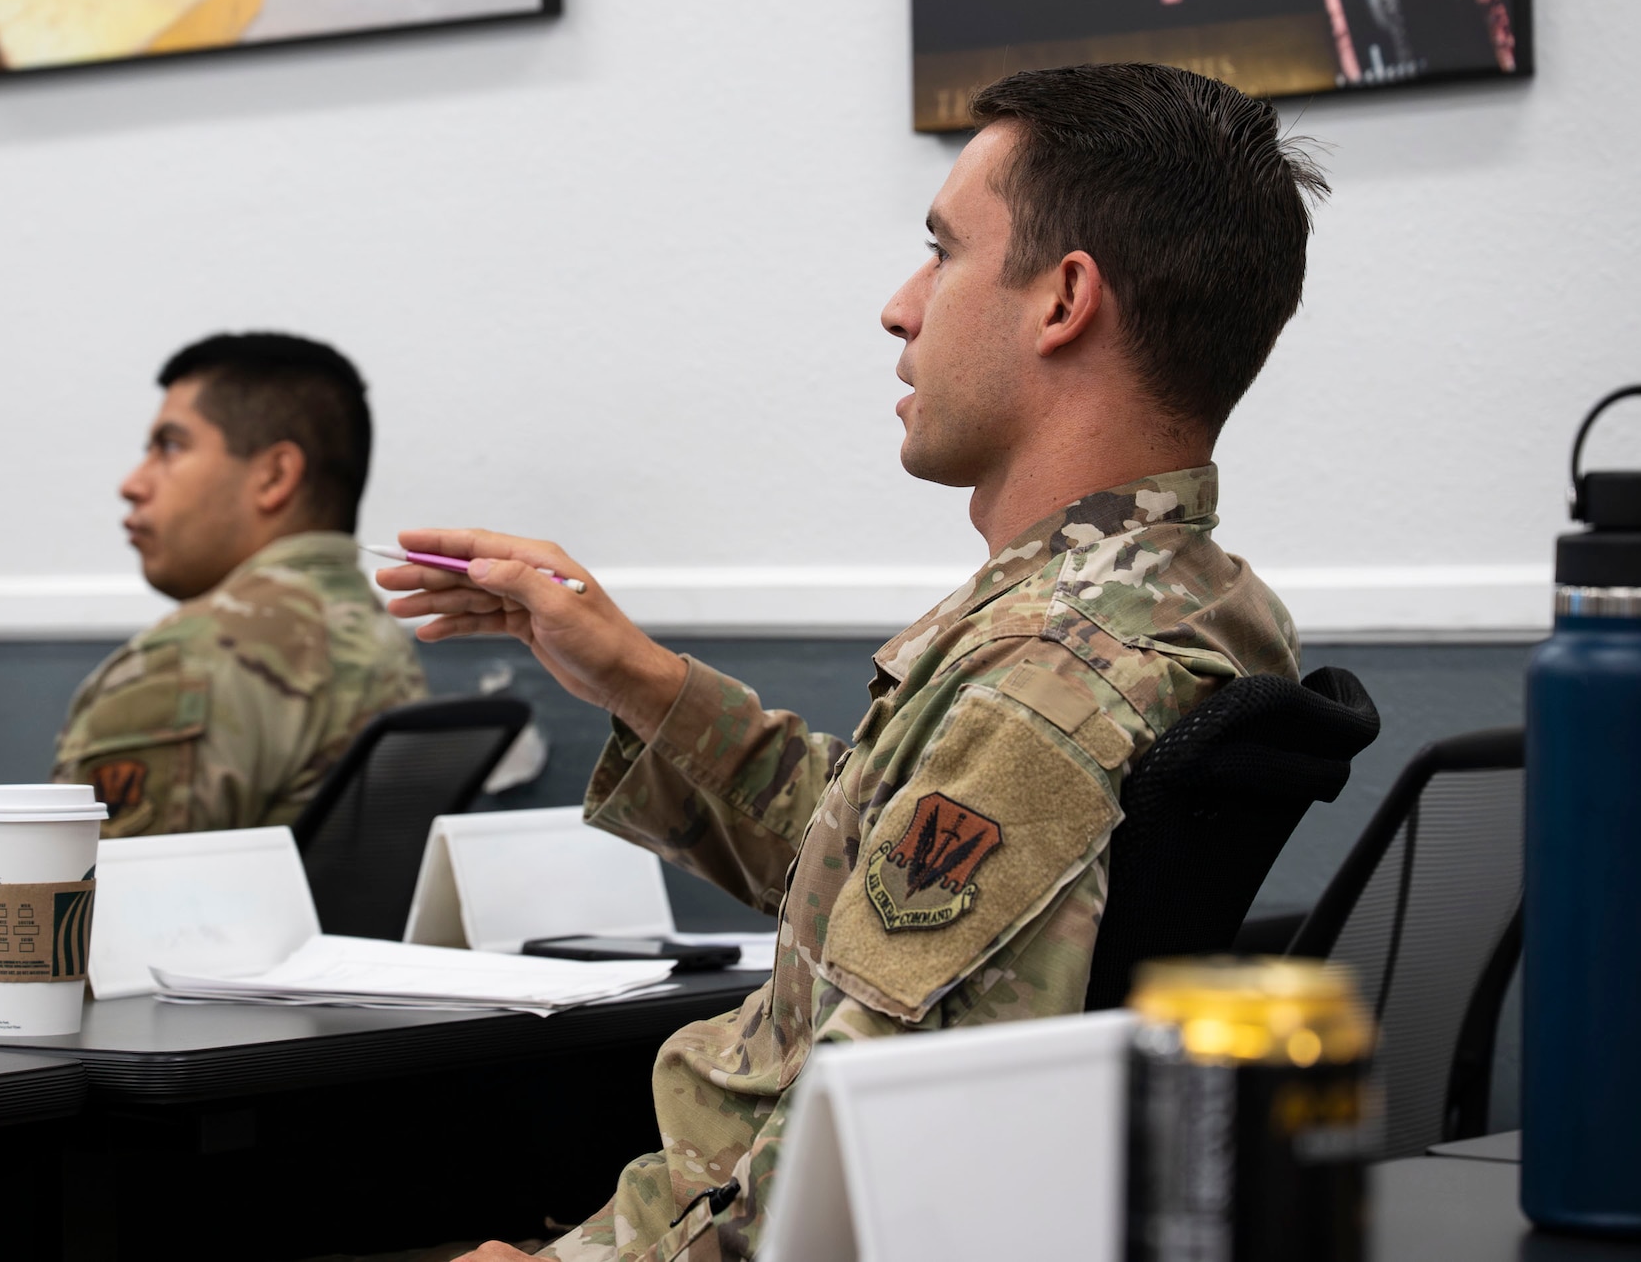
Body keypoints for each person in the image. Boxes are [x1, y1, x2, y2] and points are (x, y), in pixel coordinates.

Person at [378, 64, 1324, 1261]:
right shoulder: (1191, 601)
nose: (898, 306)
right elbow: (882, 897)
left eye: (941, 251)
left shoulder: (1046, 672)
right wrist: (630, 673)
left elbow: (861, 1148)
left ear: (1062, 300)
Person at [0, 331, 426, 991]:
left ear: (274, 475)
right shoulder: (382, 645)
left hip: (173, 1062)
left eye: (170, 445)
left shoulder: (184, 663)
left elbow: (68, 947)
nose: (133, 484)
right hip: (314, 1048)